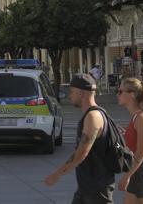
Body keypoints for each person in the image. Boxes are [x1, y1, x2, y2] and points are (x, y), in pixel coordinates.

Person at [45, 73, 115, 203]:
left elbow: (82, 152)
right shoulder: (95, 114)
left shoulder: (93, 117)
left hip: (96, 189)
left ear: (81, 93)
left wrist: (57, 174)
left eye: (72, 92)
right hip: (87, 188)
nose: (70, 95)